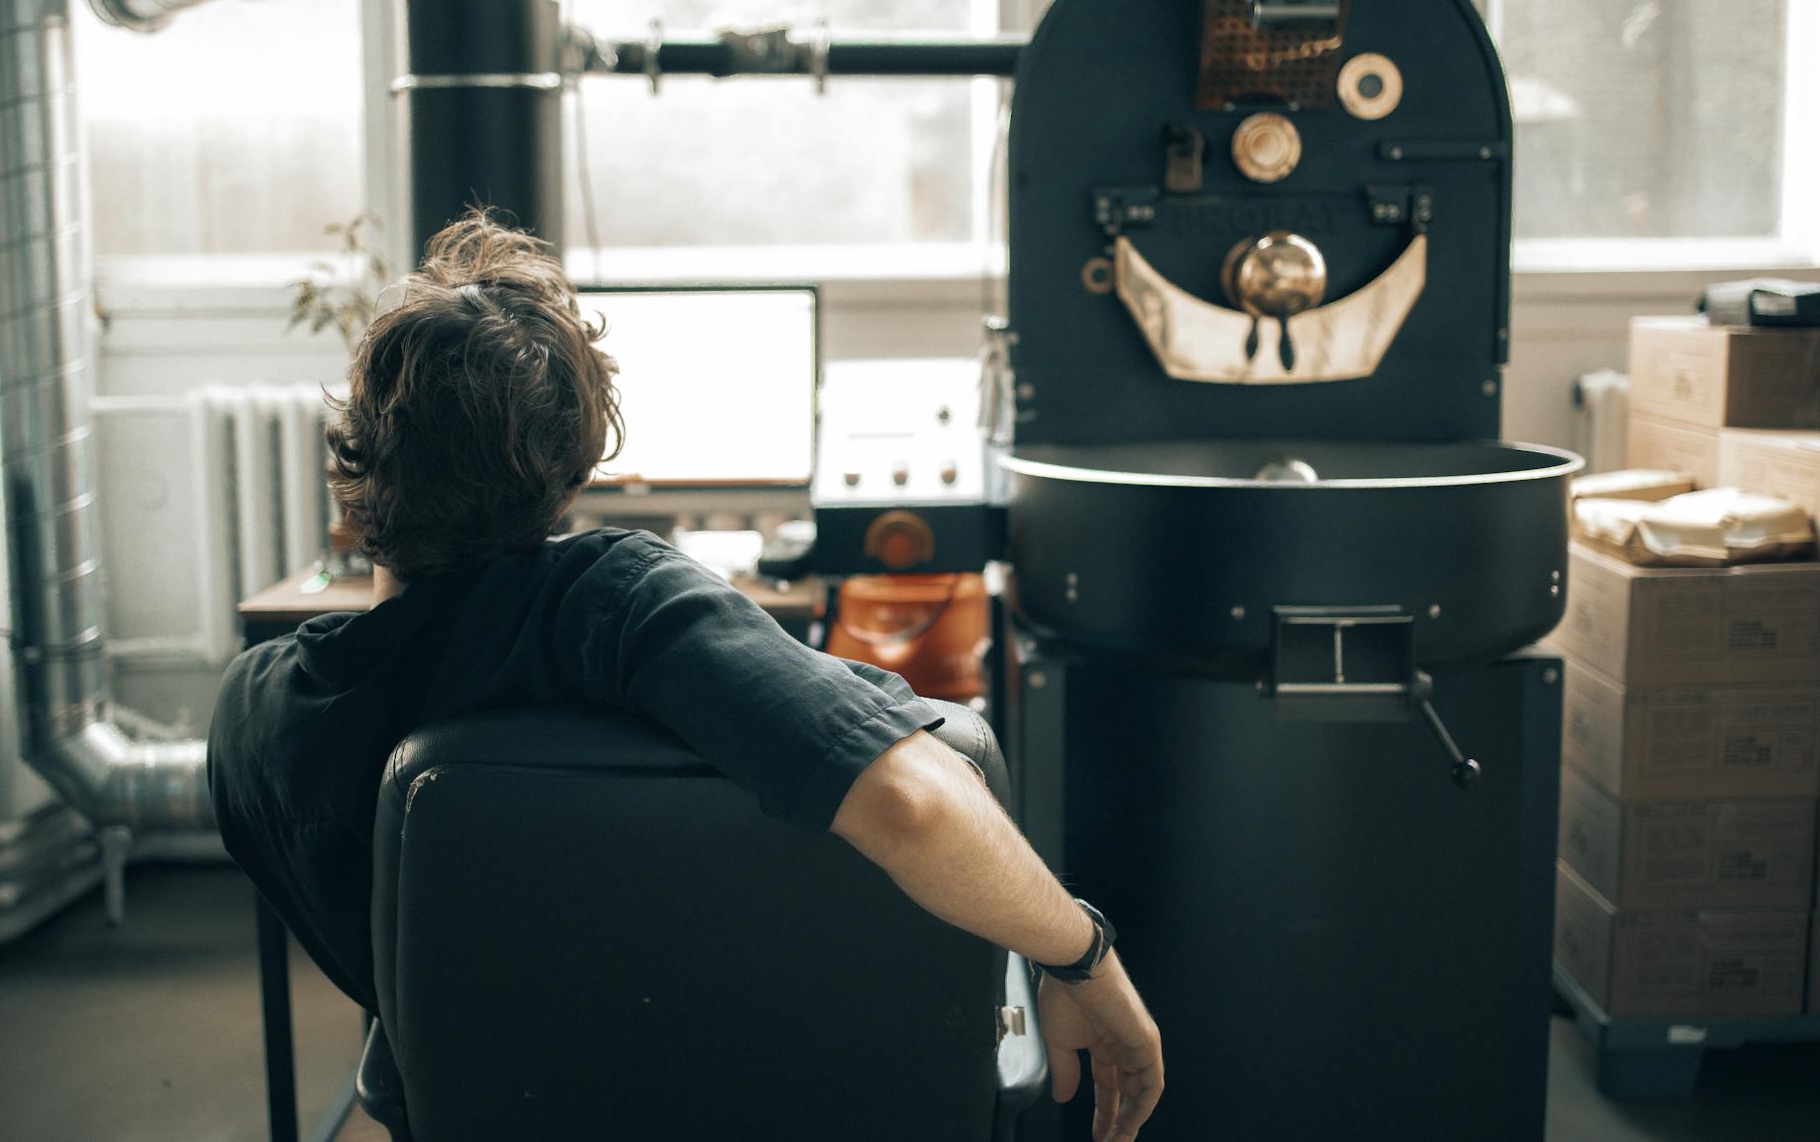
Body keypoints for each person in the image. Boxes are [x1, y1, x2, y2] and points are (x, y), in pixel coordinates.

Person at [207, 212, 1164, 1141]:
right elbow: (913, 802)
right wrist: (1084, 952)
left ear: (358, 456)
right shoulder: (610, 605)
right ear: (571, 465)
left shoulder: (256, 725)